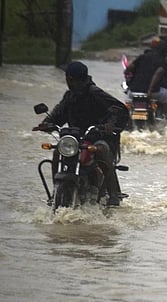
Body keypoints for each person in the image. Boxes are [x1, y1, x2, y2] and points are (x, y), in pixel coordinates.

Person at [36, 61, 129, 207]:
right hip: (75, 139)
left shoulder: (95, 93)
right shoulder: (70, 96)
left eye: (68, 78)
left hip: (98, 137)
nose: (68, 81)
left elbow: (120, 109)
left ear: (71, 78)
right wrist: (47, 123)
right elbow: (59, 113)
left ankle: (113, 195)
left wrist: (109, 124)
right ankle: (56, 192)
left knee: (101, 150)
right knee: (57, 153)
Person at [124, 37, 167, 126]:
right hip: (152, 92)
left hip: (133, 91)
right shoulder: (165, 62)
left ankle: (127, 120)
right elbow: (162, 74)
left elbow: (128, 69)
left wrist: (129, 80)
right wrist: (150, 90)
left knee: (127, 103)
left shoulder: (142, 57)